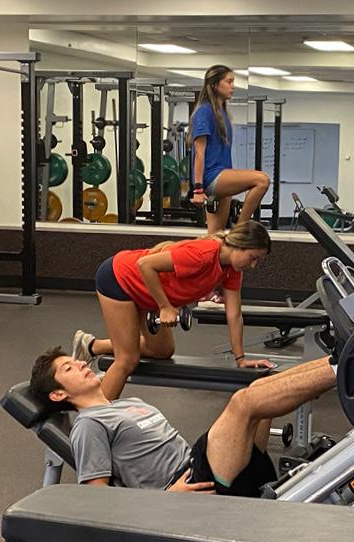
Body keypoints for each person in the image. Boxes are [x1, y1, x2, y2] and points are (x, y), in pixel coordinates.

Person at [29, 347, 336, 496]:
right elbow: (96, 500)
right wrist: (166, 501)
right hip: (189, 491)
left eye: (75, 360)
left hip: (199, 466)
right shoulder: (88, 425)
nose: (81, 363)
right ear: (58, 395)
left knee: (257, 388)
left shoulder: (127, 403)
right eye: (68, 368)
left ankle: (340, 360)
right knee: (244, 402)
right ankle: (345, 368)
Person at [72, 221, 275, 402]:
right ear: (240, 246)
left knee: (162, 351)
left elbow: (234, 315)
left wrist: (241, 359)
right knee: (127, 360)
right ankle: (94, 422)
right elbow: (145, 264)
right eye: (253, 257)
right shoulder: (203, 254)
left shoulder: (231, 270)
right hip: (120, 279)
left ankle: (93, 346)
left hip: (146, 293)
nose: (254, 265)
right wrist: (164, 306)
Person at [189, 64, 270, 236]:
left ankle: (212, 256)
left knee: (215, 235)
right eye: (229, 81)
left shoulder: (221, 113)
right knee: (261, 180)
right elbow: (199, 153)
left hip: (223, 173)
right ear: (214, 85)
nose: (232, 86)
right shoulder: (204, 112)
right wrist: (198, 189)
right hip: (212, 176)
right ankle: (240, 229)